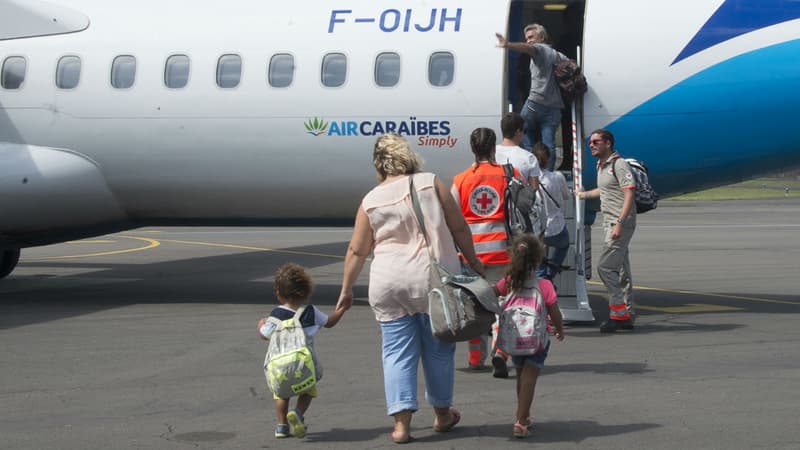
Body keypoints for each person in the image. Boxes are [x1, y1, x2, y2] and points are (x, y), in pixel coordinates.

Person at [336, 134, 484, 444]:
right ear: (408, 156)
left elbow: (357, 250)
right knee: (439, 349)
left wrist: (346, 289)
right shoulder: (431, 183)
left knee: (395, 353)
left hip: (387, 281)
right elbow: (458, 227)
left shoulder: (370, 199)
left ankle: (401, 426)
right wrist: (473, 261)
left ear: (379, 164)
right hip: (430, 281)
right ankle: (443, 414)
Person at [451, 127, 516, 378]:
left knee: (475, 306)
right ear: (493, 148)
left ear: (471, 148)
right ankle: (500, 351)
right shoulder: (509, 175)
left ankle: (476, 356)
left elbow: (452, 219)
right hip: (504, 253)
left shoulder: (461, 180)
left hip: (472, 256)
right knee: (504, 305)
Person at [257, 262, 348, 439]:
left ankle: (281, 426)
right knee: (308, 391)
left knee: (281, 394)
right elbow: (329, 322)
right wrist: (342, 309)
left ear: (278, 292)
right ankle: (298, 413)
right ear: (306, 291)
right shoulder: (310, 311)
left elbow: (264, 335)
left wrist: (261, 324)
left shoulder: (276, 315)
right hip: (305, 365)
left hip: (281, 365)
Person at [494, 233, 564, 438]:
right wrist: (559, 329)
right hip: (536, 339)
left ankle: (522, 414)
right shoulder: (544, 285)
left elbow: (492, 294)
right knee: (530, 379)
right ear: (538, 259)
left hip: (514, 337)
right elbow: (554, 312)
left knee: (520, 375)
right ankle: (521, 421)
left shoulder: (508, 281)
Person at [576, 129, 637, 333]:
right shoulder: (602, 165)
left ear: (608, 143)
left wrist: (620, 222)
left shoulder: (619, 164)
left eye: (596, 142)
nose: (591, 145)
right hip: (610, 221)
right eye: (590, 142)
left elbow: (629, 192)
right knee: (621, 270)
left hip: (619, 223)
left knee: (605, 268)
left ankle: (618, 314)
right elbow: (605, 190)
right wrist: (582, 195)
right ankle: (626, 315)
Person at [496, 24, 568, 171]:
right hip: (554, 108)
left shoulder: (540, 49)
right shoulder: (556, 54)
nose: (528, 41)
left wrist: (508, 44)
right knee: (549, 145)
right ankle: (547, 173)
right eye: (526, 38)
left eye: (531, 37)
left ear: (542, 37)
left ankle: (532, 171)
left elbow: (530, 48)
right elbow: (569, 64)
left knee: (519, 130)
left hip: (535, 104)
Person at [532, 142, 572, 282]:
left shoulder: (531, 180)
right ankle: (551, 273)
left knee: (539, 254)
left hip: (539, 229)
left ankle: (541, 278)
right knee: (564, 246)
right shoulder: (557, 177)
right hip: (556, 227)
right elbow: (566, 196)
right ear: (548, 159)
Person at [495, 112, 541, 192]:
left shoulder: (490, 154)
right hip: (518, 204)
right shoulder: (529, 158)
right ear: (518, 131)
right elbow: (534, 191)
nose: (524, 134)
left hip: (495, 202)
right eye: (524, 131)